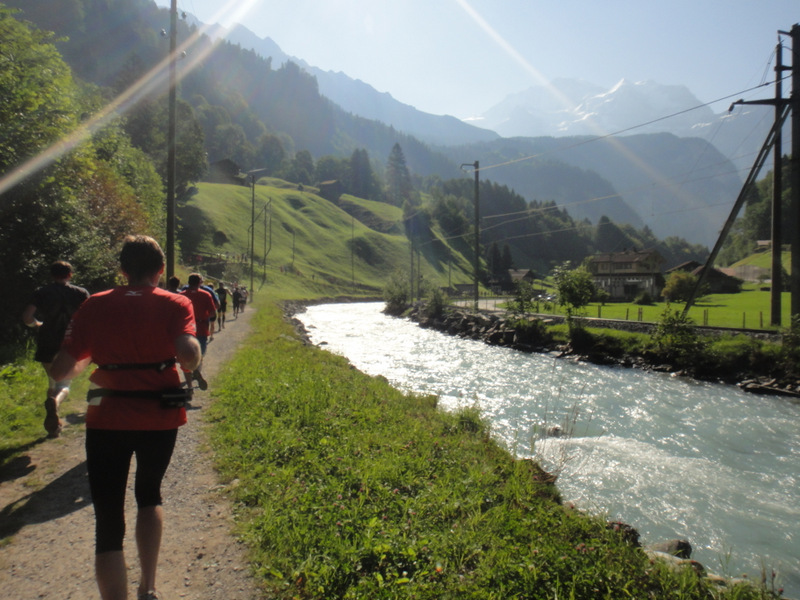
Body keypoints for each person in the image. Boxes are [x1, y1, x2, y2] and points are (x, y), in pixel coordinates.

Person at [50, 235, 201, 600]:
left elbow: (61, 368)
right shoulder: (176, 302)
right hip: (160, 417)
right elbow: (189, 355)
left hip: (107, 419)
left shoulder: (93, 304)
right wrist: (188, 355)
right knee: (149, 494)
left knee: (107, 517)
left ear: (122, 270)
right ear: (161, 270)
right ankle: (147, 587)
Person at [21, 260, 90, 438]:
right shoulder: (80, 293)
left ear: (51, 275)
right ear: (70, 275)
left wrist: (36, 324)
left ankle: (53, 426)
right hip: (69, 341)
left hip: (47, 341)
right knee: (64, 384)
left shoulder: (42, 293)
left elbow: (27, 316)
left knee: (52, 380)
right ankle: (55, 403)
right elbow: (90, 317)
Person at [180, 273, 216, 391]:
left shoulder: (181, 295)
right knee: (200, 352)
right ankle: (196, 370)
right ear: (200, 283)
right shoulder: (206, 295)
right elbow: (212, 313)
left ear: (189, 282)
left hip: (185, 328)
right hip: (200, 328)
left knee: (186, 353)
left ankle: (190, 379)